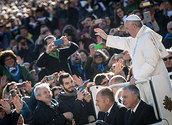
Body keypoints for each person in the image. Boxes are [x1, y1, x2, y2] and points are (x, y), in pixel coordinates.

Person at [94, 14, 169, 85]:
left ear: (134, 26)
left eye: (127, 28)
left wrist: (137, 78)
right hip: (146, 81)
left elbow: (151, 62)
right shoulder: (137, 37)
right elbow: (123, 42)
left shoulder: (146, 37)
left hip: (156, 82)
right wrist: (107, 37)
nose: (126, 31)